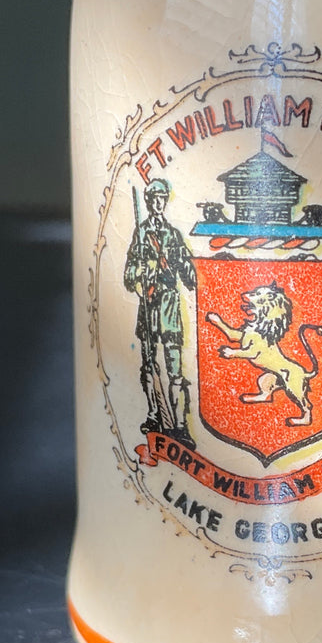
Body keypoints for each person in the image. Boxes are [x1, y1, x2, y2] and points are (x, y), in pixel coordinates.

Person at [123, 178, 197, 446]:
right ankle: (154, 415)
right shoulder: (141, 233)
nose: (158, 203)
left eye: (161, 199)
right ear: (148, 201)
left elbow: (189, 275)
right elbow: (129, 273)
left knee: (175, 367)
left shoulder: (173, 235)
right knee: (148, 364)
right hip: (149, 305)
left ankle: (180, 425)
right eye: (154, 199)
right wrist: (139, 271)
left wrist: (187, 266)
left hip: (169, 305)